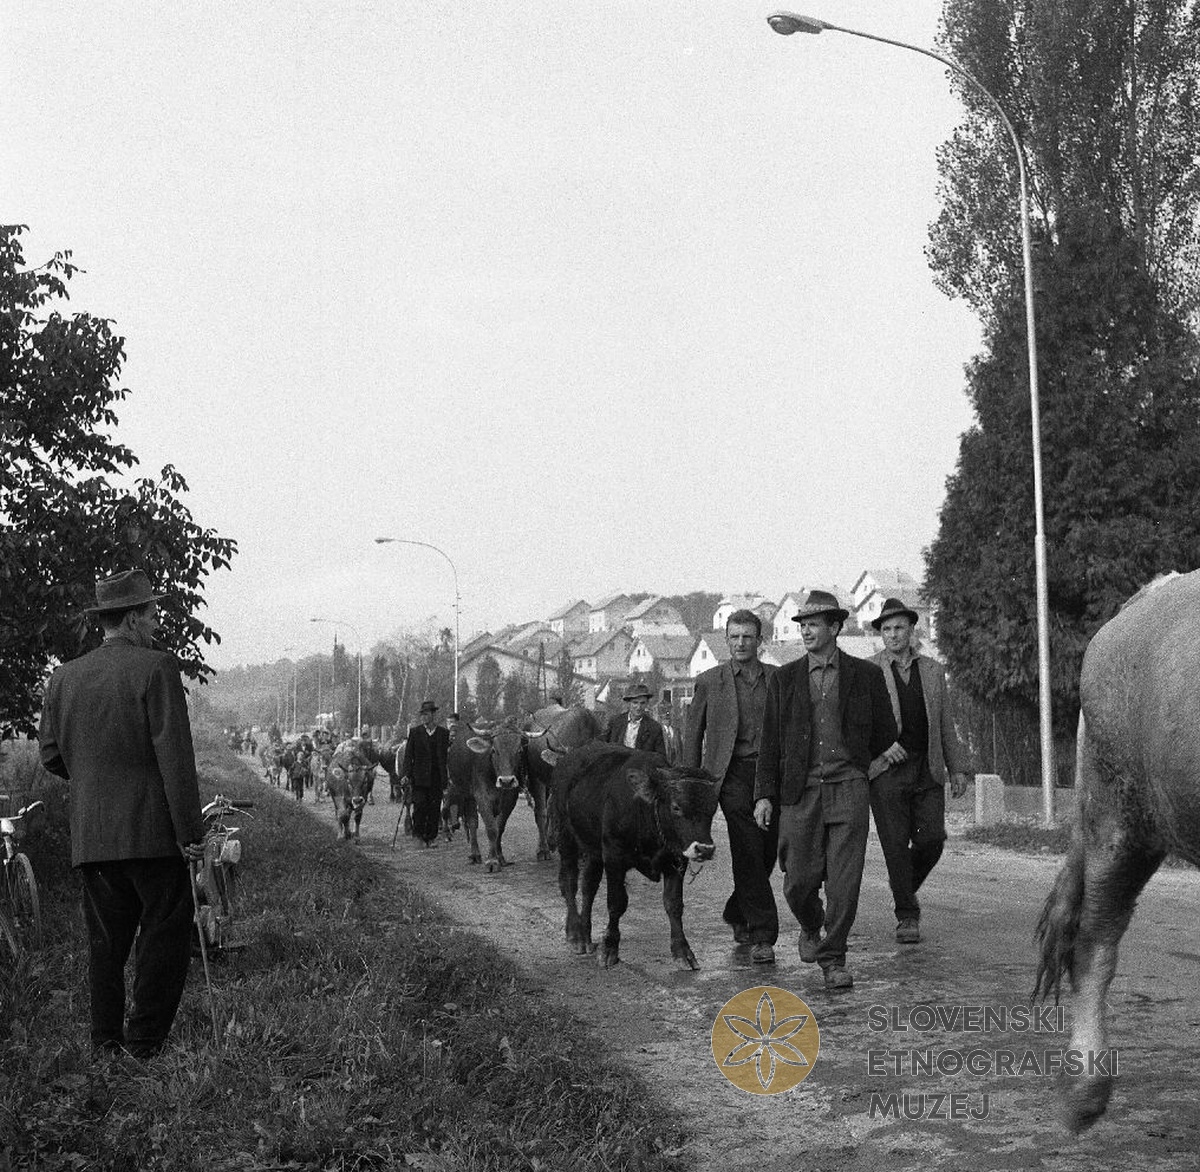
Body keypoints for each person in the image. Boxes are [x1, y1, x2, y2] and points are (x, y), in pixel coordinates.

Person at [38, 569, 206, 1058]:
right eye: (151, 615)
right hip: (153, 836)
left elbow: (50, 754)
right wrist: (191, 834)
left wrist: (94, 782)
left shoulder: (63, 678)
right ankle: (145, 1044)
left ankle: (106, 1043)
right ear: (132, 619)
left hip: (92, 838)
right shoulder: (157, 668)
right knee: (164, 939)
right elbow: (176, 759)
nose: (155, 624)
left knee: (105, 946)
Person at [754, 589, 900, 991]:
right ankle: (811, 923)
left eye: (813, 624)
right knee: (798, 881)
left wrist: (861, 762)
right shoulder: (784, 679)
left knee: (844, 883)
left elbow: (886, 731)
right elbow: (770, 742)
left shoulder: (865, 675)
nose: (805, 632)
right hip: (800, 792)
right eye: (802, 625)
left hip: (849, 788)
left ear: (835, 628)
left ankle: (834, 959)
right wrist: (764, 795)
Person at [869, 598, 974, 945]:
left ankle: (902, 883)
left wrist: (957, 768)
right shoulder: (869, 671)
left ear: (912, 630)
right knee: (895, 845)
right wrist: (883, 745)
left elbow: (945, 721)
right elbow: (859, 723)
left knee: (932, 840)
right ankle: (907, 916)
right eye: (886, 629)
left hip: (926, 767)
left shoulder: (932, 670)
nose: (893, 634)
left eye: (899, 627)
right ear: (881, 634)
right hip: (886, 770)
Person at [684, 609, 779, 965]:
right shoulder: (710, 681)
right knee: (748, 848)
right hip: (731, 776)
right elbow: (693, 735)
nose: (740, 643)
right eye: (734, 637)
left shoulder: (777, 679)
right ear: (725, 640)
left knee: (767, 850)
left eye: (747, 637)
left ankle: (737, 910)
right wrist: (692, 785)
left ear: (759, 641)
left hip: (770, 774)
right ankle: (763, 934)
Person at [402, 700, 450, 846]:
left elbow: (446, 757)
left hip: (437, 778)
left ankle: (431, 837)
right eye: (422, 714)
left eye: (427, 714)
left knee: (434, 808)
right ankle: (418, 835)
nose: (423, 717)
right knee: (420, 806)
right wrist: (406, 774)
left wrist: (446, 779)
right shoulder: (415, 732)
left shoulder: (443, 733)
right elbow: (408, 755)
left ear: (433, 715)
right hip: (419, 777)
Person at [603, 683, 667, 755]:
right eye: (635, 703)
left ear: (647, 704)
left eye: (642, 703)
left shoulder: (654, 728)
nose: (638, 707)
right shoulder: (615, 722)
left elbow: (660, 757)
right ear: (629, 703)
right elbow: (603, 746)